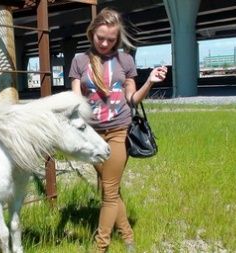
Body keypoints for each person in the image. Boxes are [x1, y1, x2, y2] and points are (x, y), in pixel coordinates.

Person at [69, 8, 167, 253]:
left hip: (118, 131)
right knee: (109, 187)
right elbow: (75, 100)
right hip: (91, 136)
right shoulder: (79, 61)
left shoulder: (125, 61)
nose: (104, 43)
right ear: (92, 33)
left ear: (117, 39)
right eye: (100, 37)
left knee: (109, 191)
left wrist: (150, 81)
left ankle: (99, 247)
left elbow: (132, 100)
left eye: (110, 40)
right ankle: (129, 237)